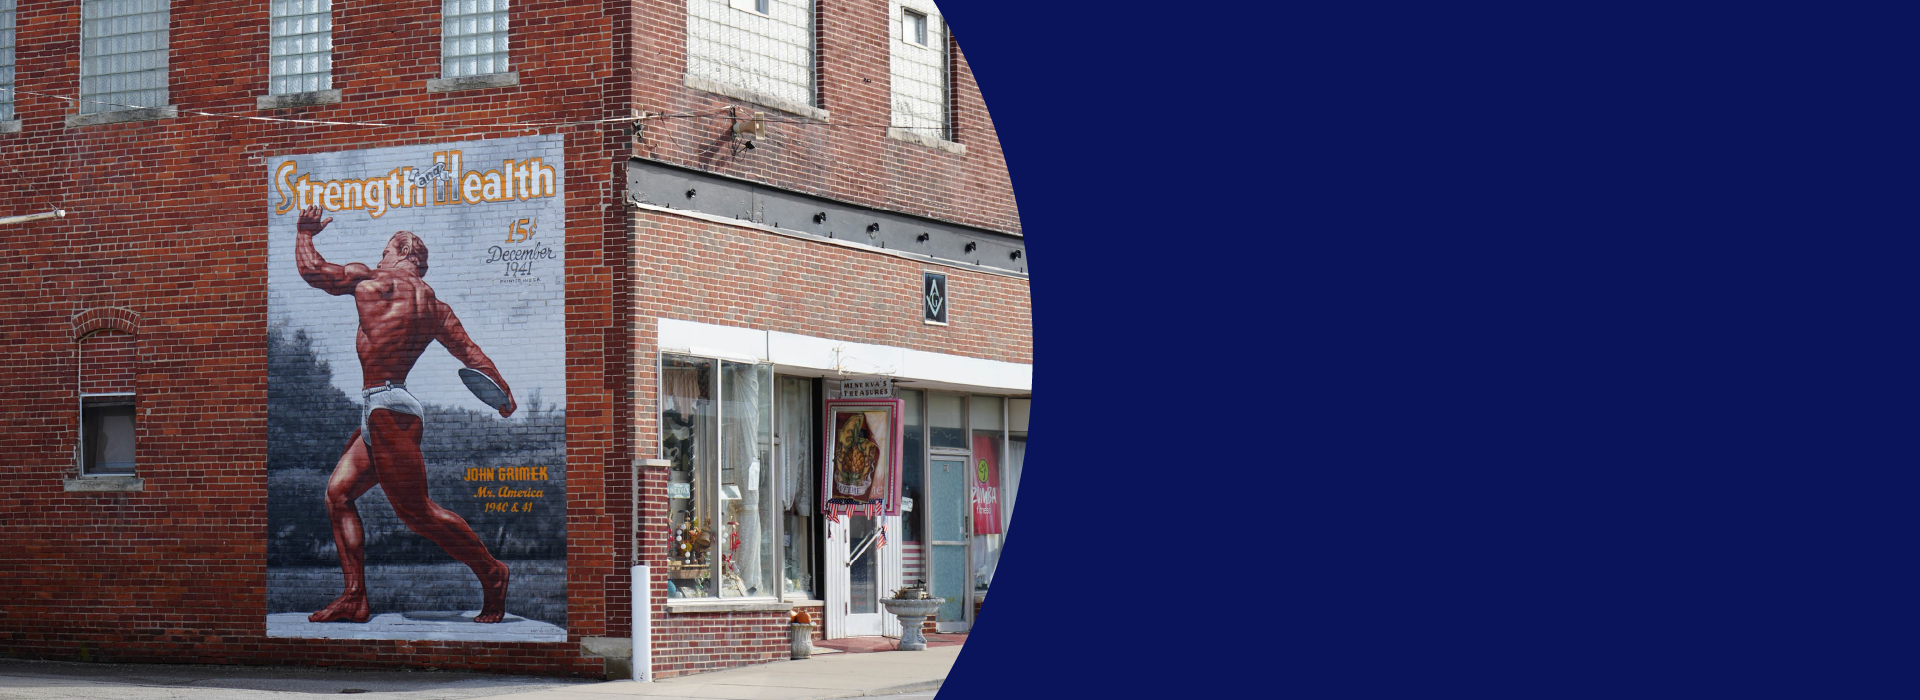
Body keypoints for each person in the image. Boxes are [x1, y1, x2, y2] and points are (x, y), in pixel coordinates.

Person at [293, 205, 516, 624]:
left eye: (384, 250)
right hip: (384, 407)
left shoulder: (372, 280)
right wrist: (503, 393)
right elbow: (470, 354)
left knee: (417, 513)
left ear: (399, 251)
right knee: (338, 495)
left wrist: (305, 233)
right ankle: (355, 597)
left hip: (388, 411)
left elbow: (316, 272)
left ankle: (493, 572)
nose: (380, 257)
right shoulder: (436, 308)